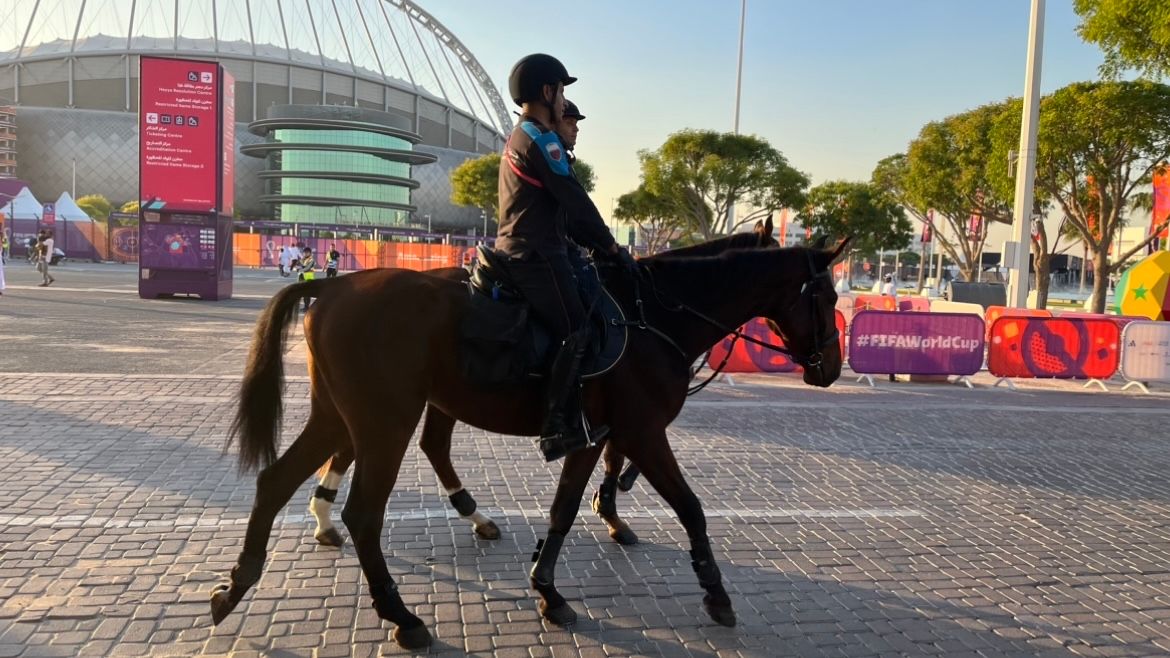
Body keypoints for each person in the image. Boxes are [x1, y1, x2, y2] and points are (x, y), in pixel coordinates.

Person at [496, 53, 637, 461]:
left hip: (533, 248)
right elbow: (574, 202)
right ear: (547, 91)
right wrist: (611, 247)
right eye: (562, 93)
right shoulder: (541, 138)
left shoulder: (524, 135)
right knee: (576, 327)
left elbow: (563, 212)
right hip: (536, 254)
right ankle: (557, 426)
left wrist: (595, 247)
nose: (563, 103)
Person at [297, 246, 317, 311]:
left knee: (307, 294)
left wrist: (301, 268)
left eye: (307, 252)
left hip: (308, 278)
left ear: (310, 253)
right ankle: (305, 306)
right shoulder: (302, 259)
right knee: (304, 294)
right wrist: (299, 268)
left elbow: (307, 268)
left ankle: (306, 307)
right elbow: (297, 266)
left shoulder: (311, 260)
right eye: (304, 252)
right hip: (302, 278)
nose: (305, 254)